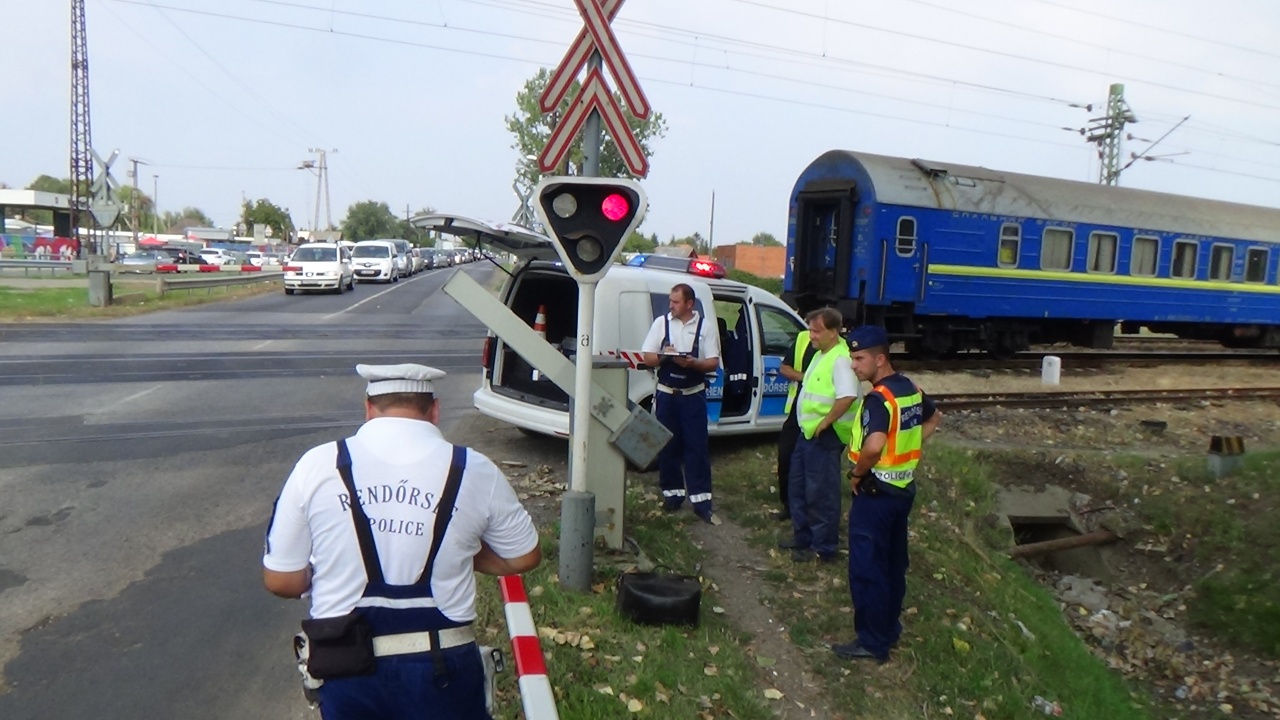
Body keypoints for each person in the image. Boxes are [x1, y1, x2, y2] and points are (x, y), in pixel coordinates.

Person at [263, 363, 542, 719]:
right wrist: (460, 550)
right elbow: (523, 557)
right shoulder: (473, 468)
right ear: (435, 410)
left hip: (347, 666)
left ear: (368, 409)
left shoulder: (318, 465)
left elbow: (281, 580)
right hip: (443, 668)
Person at [832, 326, 941, 664]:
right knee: (894, 565)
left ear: (880, 359)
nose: (853, 365)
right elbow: (933, 419)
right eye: (852, 358)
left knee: (867, 569)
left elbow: (875, 445)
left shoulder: (878, 399)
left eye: (859, 358)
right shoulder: (909, 387)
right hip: (902, 490)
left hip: (876, 494)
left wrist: (858, 473)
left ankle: (872, 641)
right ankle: (889, 629)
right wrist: (907, 449)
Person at [779, 308, 858, 562]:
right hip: (808, 433)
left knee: (821, 493)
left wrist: (825, 423)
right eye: (810, 330)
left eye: (816, 331)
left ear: (834, 332)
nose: (811, 336)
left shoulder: (840, 359)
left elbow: (847, 396)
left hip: (825, 436)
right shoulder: (821, 354)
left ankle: (824, 547)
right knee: (799, 486)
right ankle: (803, 538)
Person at [640, 283, 722, 524]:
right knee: (667, 446)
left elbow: (713, 362)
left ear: (689, 304)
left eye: (675, 302)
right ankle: (672, 495)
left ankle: (701, 501)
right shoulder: (661, 324)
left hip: (693, 396)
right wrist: (666, 356)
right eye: (670, 301)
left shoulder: (705, 327)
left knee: (697, 447)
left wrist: (694, 364)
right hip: (667, 395)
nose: (670, 306)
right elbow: (648, 357)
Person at [774, 329, 815, 521]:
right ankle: (789, 506)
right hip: (796, 413)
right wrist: (806, 377)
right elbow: (784, 368)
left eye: (816, 330)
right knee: (786, 457)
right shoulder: (802, 339)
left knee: (811, 467)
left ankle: (808, 511)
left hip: (820, 419)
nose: (812, 334)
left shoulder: (839, 351)